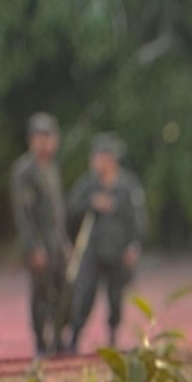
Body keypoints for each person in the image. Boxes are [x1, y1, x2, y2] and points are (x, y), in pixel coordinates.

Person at [65, 133, 147, 352]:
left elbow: (138, 218)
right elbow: (71, 208)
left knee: (115, 298)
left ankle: (113, 338)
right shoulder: (88, 185)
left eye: (104, 157)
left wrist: (134, 245)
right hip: (93, 250)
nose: (99, 163)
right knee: (84, 294)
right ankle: (74, 335)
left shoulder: (128, 185)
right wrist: (91, 203)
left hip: (118, 251)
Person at [10, 113, 70, 357]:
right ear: (31, 140)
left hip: (57, 243)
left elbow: (58, 211)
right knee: (40, 292)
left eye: (49, 137)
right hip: (38, 244)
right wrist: (34, 246)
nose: (46, 142)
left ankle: (57, 336)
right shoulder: (24, 171)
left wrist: (65, 241)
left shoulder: (52, 169)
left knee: (63, 290)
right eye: (40, 137)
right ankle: (40, 341)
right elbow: (23, 214)